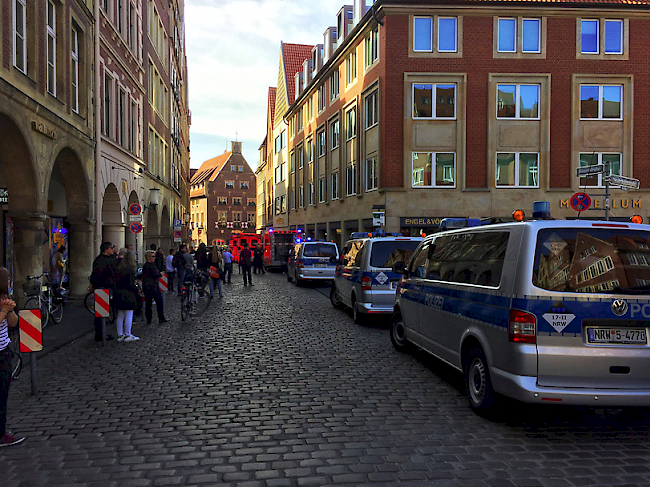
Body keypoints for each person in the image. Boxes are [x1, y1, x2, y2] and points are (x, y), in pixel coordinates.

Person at [0, 267, 24, 447]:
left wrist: (10, 310)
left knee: (3, 393)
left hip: (4, 350)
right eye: (7, 279)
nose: (9, 282)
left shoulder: (3, 298)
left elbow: (13, 323)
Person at [89, 242, 116, 341]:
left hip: (105, 287)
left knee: (104, 312)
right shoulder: (101, 261)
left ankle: (102, 333)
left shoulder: (106, 259)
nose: (113, 249)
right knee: (101, 313)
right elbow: (97, 274)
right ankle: (100, 334)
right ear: (106, 249)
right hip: (102, 288)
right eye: (111, 248)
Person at [113, 251, 140, 341]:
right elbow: (130, 284)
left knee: (120, 315)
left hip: (119, 293)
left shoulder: (119, 269)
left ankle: (120, 335)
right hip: (128, 294)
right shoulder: (130, 270)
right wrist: (135, 287)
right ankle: (128, 334)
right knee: (129, 314)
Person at [142, 251, 168, 325]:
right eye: (153, 256)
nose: (154, 258)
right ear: (148, 257)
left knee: (148, 304)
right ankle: (161, 317)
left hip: (147, 286)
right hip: (153, 286)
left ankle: (149, 319)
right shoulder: (151, 265)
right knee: (159, 302)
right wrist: (160, 274)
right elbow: (155, 274)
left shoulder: (145, 265)